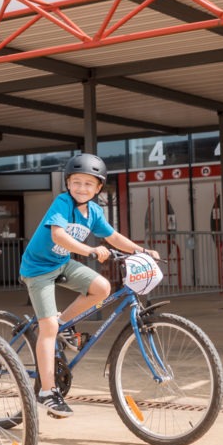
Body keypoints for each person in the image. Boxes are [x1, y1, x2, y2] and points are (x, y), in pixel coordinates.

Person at [19, 152, 159, 419]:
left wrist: (140, 250)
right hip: (38, 268)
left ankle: (63, 325)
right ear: (68, 183)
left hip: (61, 263)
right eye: (77, 182)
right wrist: (89, 250)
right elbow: (57, 234)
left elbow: (114, 236)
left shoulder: (94, 211)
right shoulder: (62, 203)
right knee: (47, 327)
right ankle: (47, 392)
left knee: (102, 288)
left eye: (89, 184)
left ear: (98, 189)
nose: (82, 188)